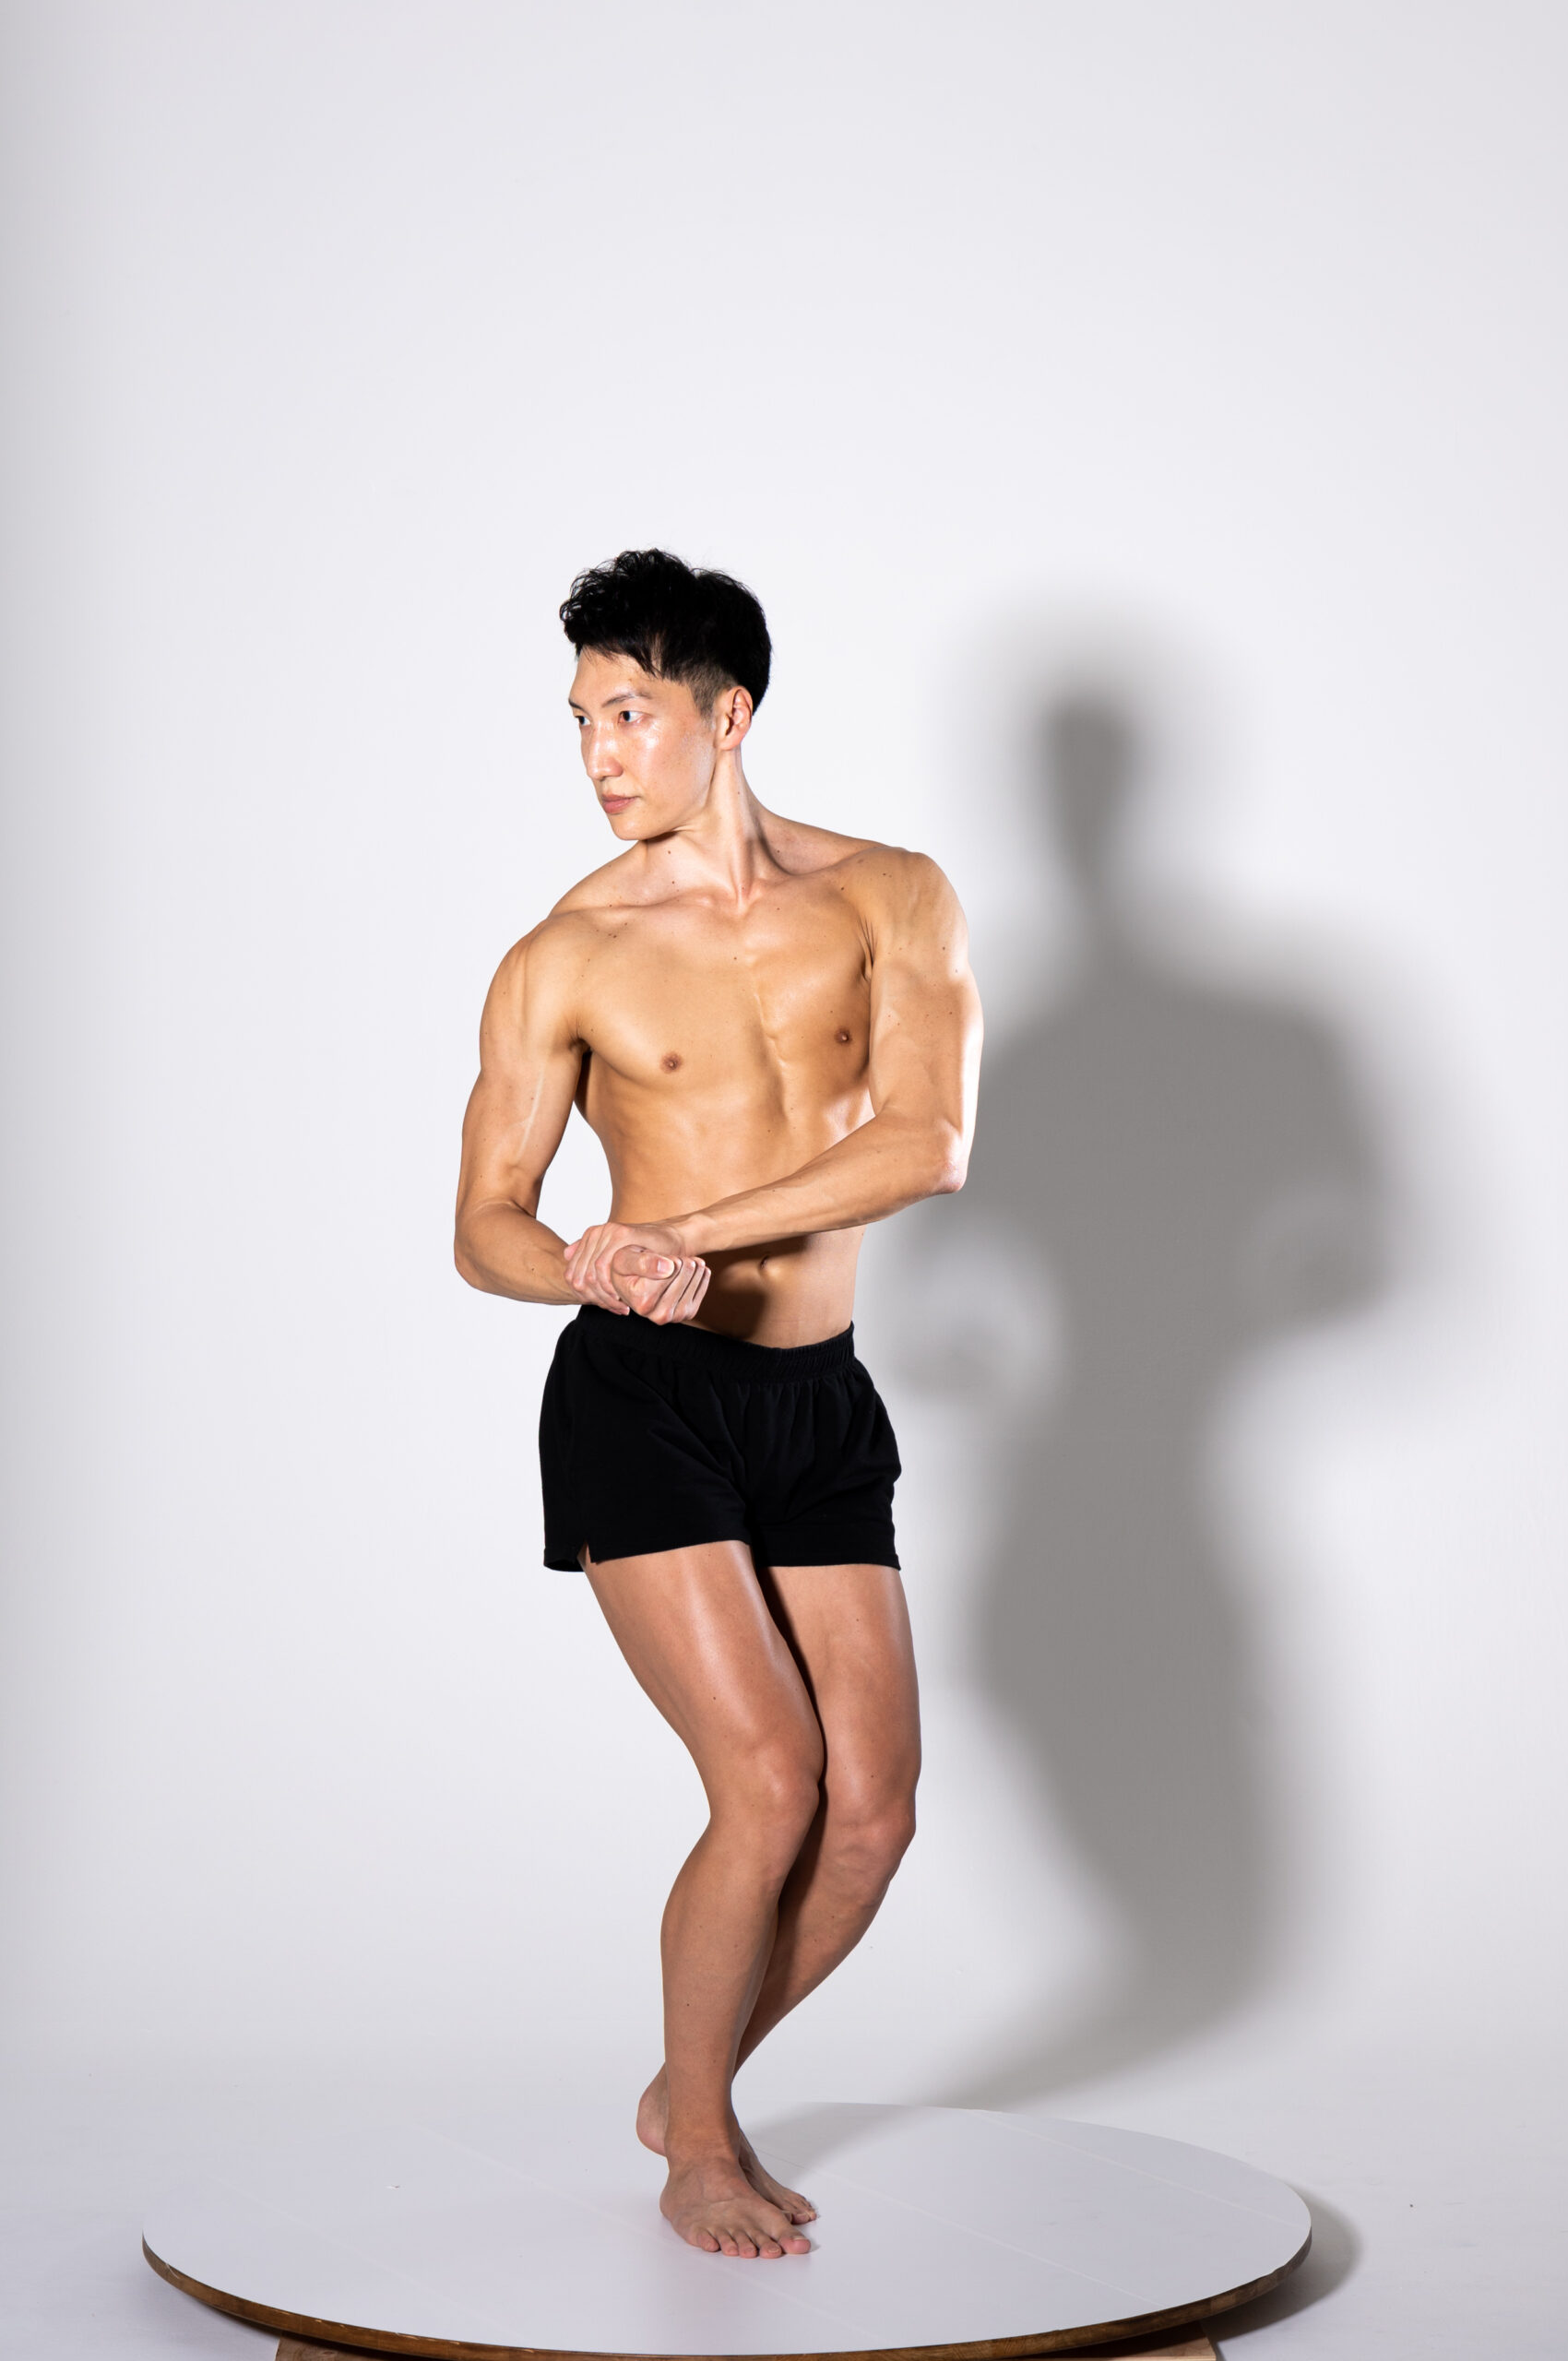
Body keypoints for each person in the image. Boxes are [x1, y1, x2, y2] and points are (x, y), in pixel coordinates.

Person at [454, 549, 981, 2259]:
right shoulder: (565, 954)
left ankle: (689, 2082)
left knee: (873, 1814)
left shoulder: (894, 896)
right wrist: (591, 1264)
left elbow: (927, 1142)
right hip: (644, 1397)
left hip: (819, 1395)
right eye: (580, 723)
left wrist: (685, 1229)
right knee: (769, 1780)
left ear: (727, 714)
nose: (599, 755)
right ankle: (699, 2150)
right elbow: (484, 1225)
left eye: (629, 714)